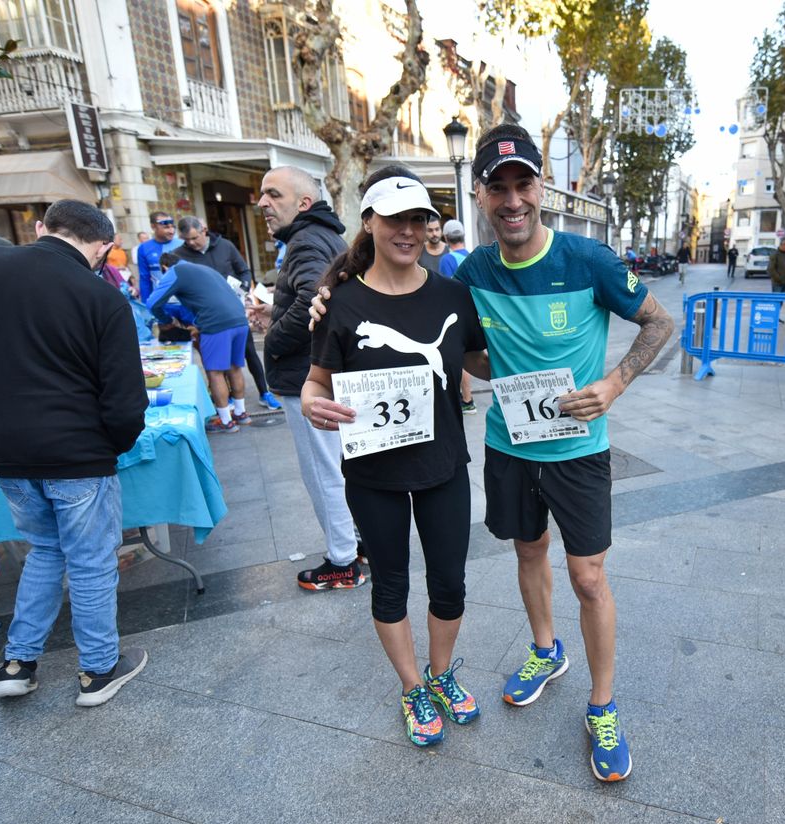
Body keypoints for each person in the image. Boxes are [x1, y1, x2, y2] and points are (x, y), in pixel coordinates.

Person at [313, 123, 675, 781]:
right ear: (478, 196)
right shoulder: (472, 273)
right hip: (509, 447)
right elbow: (424, 312)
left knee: (588, 575)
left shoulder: (588, 260)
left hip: (579, 448)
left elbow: (661, 321)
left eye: (523, 184)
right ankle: (545, 649)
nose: (513, 200)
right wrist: (329, 293)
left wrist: (615, 383)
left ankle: (602, 705)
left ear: (542, 188)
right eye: (498, 188)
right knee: (528, 552)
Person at [0, 199, 149, 708]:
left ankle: (18, 663)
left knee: (47, 550)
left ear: (41, 228)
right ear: (103, 248)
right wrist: (108, 448)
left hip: (2, 447)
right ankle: (98, 670)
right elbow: (125, 400)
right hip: (75, 451)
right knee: (93, 560)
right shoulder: (101, 297)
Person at [302, 166, 487, 747]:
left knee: (450, 582)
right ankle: (412, 688)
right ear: (370, 223)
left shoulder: (453, 294)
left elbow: (480, 360)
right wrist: (313, 405)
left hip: (442, 467)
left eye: (418, 220)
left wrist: (537, 359)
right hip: (374, 473)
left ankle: (441, 674)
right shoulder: (342, 304)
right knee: (389, 584)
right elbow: (314, 383)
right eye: (395, 219)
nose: (407, 231)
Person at [252, 165, 367, 592]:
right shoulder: (320, 236)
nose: (262, 203)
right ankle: (356, 545)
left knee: (324, 471)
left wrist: (274, 340)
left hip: (307, 379)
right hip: (318, 374)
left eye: (273, 194)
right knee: (336, 467)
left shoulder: (305, 242)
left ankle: (342, 561)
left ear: (303, 203)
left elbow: (313, 300)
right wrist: (273, 312)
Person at [174, 216, 280, 410]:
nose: (191, 243)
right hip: (207, 316)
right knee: (217, 361)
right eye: (186, 240)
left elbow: (244, 271)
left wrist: (243, 289)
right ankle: (227, 398)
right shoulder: (180, 255)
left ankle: (264, 392)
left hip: (234, 309)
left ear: (204, 230)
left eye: (194, 238)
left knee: (249, 352)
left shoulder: (225, 246)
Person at [146, 253, 253, 434]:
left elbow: (153, 302)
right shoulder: (204, 269)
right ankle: (241, 413)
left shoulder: (176, 271)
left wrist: (166, 320)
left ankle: (226, 421)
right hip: (239, 320)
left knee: (215, 373)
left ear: (164, 266)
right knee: (235, 367)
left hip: (216, 323)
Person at [437, 220, 475, 413]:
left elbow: (446, 291)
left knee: (461, 359)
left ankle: (467, 399)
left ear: (446, 238)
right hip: (473, 312)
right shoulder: (471, 257)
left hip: (455, 315)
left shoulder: (447, 260)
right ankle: (467, 399)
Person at [136, 211, 184, 326]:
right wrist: (146, 306)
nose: (170, 230)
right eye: (165, 226)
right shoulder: (143, 248)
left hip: (184, 303)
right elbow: (144, 279)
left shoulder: (183, 244)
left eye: (173, 226)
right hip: (162, 305)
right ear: (153, 226)